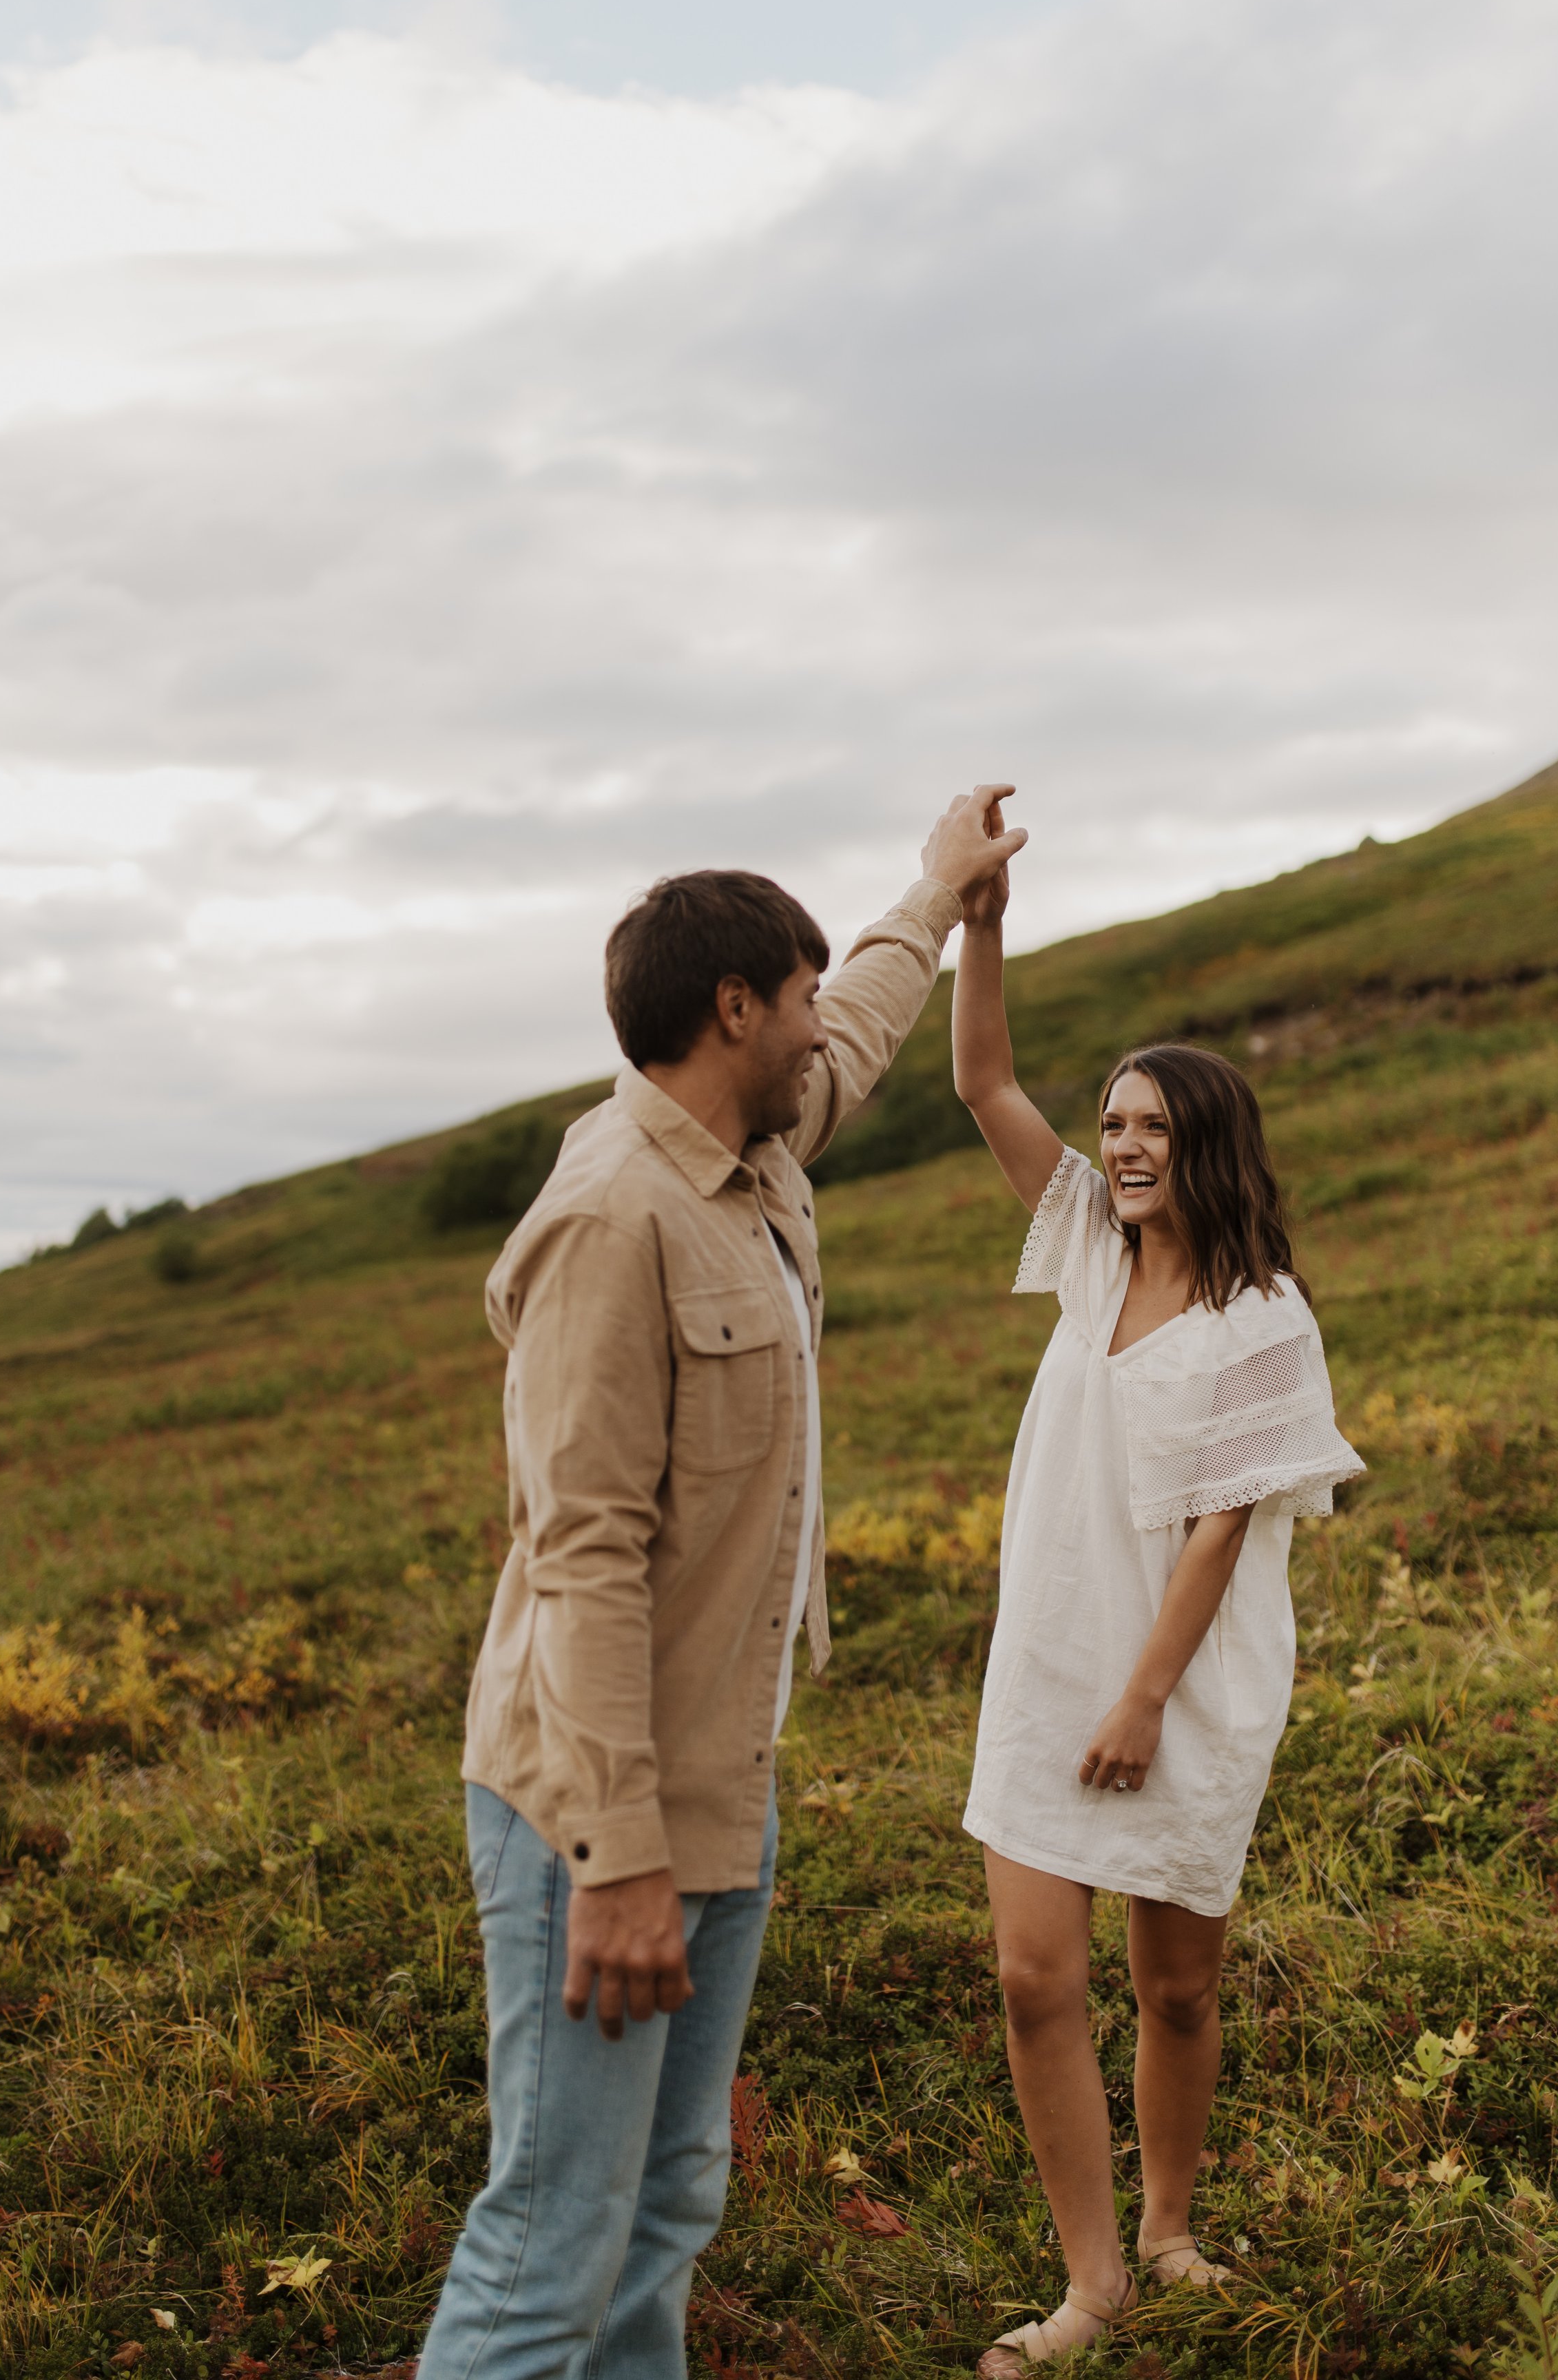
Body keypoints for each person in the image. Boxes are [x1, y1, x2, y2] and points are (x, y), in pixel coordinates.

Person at [417, 786, 1027, 2380]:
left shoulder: (745, 1157)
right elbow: (583, 1559)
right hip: (590, 1815)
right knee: (553, 2230)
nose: (823, 1029)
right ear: (732, 1005)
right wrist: (615, 1861)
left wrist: (935, 892)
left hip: (716, 1784)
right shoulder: (611, 1216)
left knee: (669, 2202)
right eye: (800, 998)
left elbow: (874, 1037)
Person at [951, 817, 1364, 2371]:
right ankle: (1093, 2282)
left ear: (1208, 1142)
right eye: (1112, 1122)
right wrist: (979, 921)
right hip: (1050, 1662)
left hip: (1182, 1685)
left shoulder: (1261, 1317)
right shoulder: (1077, 1247)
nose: (1120, 1146)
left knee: (1172, 1989)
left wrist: (1139, 1703)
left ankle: (1175, 2225)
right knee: (1027, 1973)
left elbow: (1214, 1531)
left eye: (1150, 1127)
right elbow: (984, 1083)